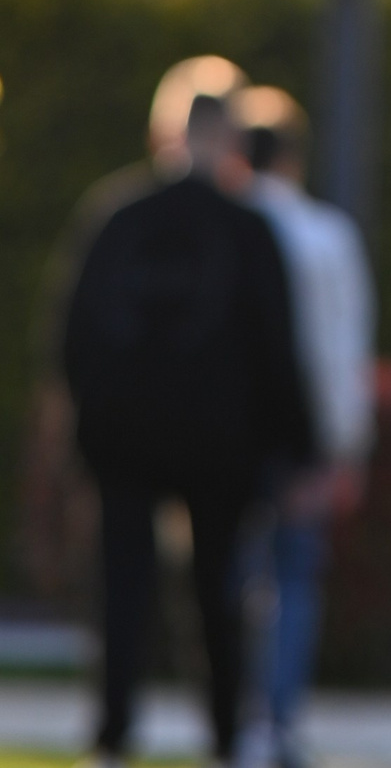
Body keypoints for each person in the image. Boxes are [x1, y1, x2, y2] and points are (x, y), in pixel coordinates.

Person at [63, 90, 313, 765]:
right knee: (219, 592)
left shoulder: (118, 217)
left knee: (122, 589)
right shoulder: (246, 230)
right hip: (219, 445)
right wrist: (297, 446)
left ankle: (112, 733)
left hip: (125, 439)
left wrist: (85, 429)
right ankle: (227, 733)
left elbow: (74, 334)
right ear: (230, 142)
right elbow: (277, 346)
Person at [232, 87, 377, 768]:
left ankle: (239, 716)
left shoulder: (227, 227)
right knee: (293, 580)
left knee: (235, 578)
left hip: (235, 437)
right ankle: (279, 721)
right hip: (304, 439)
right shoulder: (325, 236)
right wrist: (346, 445)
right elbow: (344, 349)